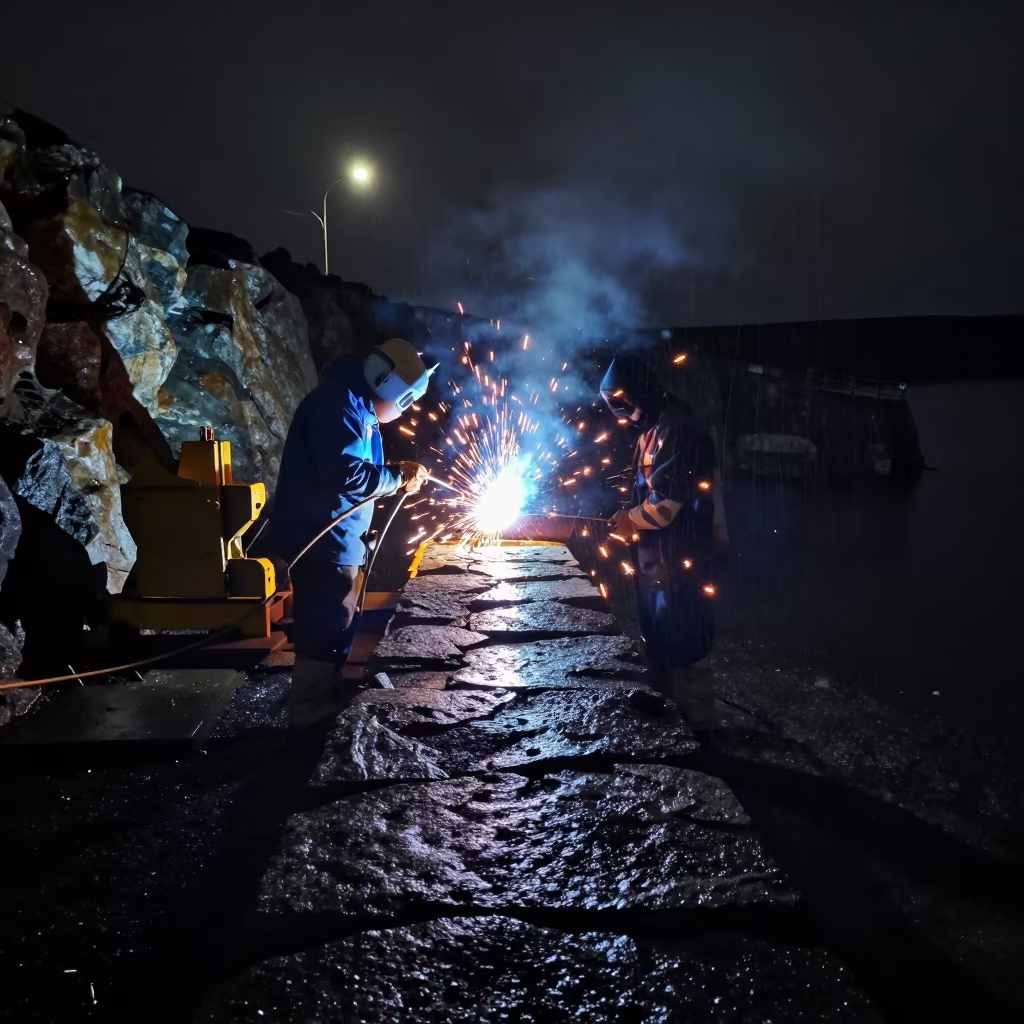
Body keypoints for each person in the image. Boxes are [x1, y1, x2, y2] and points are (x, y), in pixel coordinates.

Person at [267, 338, 434, 738]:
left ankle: (323, 698)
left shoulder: (353, 405)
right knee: (327, 625)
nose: (403, 409)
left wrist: (396, 472)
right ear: (391, 388)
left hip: (338, 540)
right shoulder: (338, 404)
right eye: (406, 401)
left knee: (338, 623)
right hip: (321, 541)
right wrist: (397, 477)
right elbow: (345, 475)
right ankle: (309, 715)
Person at [600, 352, 718, 726]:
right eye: (614, 407)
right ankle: (664, 718)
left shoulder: (677, 428)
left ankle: (699, 732)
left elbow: (667, 504)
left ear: (640, 392)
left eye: (624, 405)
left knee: (686, 641)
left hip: (681, 559)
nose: (622, 416)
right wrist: (626, 517)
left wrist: (630, 520)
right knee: (655, 634)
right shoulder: (652, 428)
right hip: (654, 562)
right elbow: (643, 492)